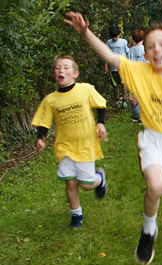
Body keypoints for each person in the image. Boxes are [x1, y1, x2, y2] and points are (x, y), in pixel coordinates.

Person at [64, 11, 162, 265]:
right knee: (156, 185)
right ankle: (149, 229)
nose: (157, 50)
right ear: (145, 54)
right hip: (153, 139)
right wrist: (85, 32)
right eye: (150, 46)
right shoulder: (139, 72)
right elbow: (110, 56)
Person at [31, 54, 108, 229]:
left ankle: (99, 179)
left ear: (75, 73)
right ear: (54, 74)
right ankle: (76, 215)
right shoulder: (50, 100)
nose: (61, 70)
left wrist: (101, 123)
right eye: (58, 67)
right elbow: (44, 121)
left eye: (66, 67)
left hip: (85, 144)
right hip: (64, 146)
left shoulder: (85, 89)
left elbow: (101, 105)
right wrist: (41, 138)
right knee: (71, 182)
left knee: (86, 185)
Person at [104, 26, 129, 108]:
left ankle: (125, 100)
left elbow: (127, 53)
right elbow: (106, 54)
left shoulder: (124, 42)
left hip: (123, 67)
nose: (115, 38)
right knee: (115, 85)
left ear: (119, 34)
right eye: (113, 37)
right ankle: (117, 100)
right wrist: (106, 65)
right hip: (113, 68)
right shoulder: (109, 43)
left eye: (116, 36)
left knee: (123, 84)